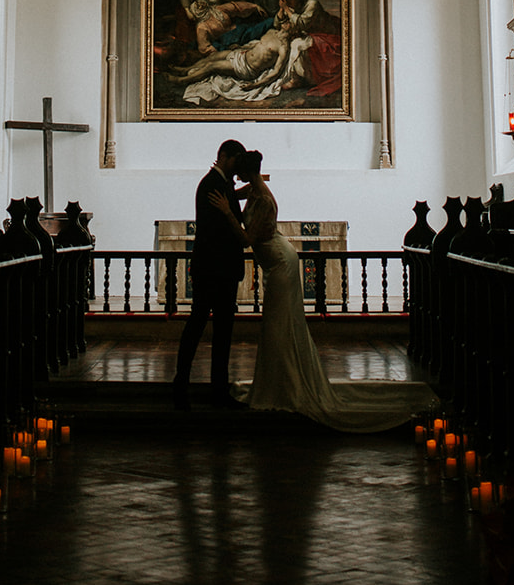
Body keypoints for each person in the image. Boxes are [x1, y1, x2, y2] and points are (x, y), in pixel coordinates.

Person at [210, 150, 434, 430]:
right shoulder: (255, 189)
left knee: (279, 327)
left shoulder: (264, 198)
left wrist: (226, 212)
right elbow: (246, 193)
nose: (236, 177)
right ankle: (279, 381)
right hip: (274, 263)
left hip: (281, 265)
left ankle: (286, 386)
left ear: (246, 172)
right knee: (275, 327)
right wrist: (230, 192)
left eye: (238, 173)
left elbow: (245, 239)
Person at [171, 138, 247, 410]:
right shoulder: (213, 185)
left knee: (208, 327)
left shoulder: (218, 184)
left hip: (215, 268)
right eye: (236, 160)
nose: (238, 166)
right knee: (207, 327)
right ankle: (194, 385)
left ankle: (205, 385)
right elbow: (223, 228)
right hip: (216, 269)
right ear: (226, 157)